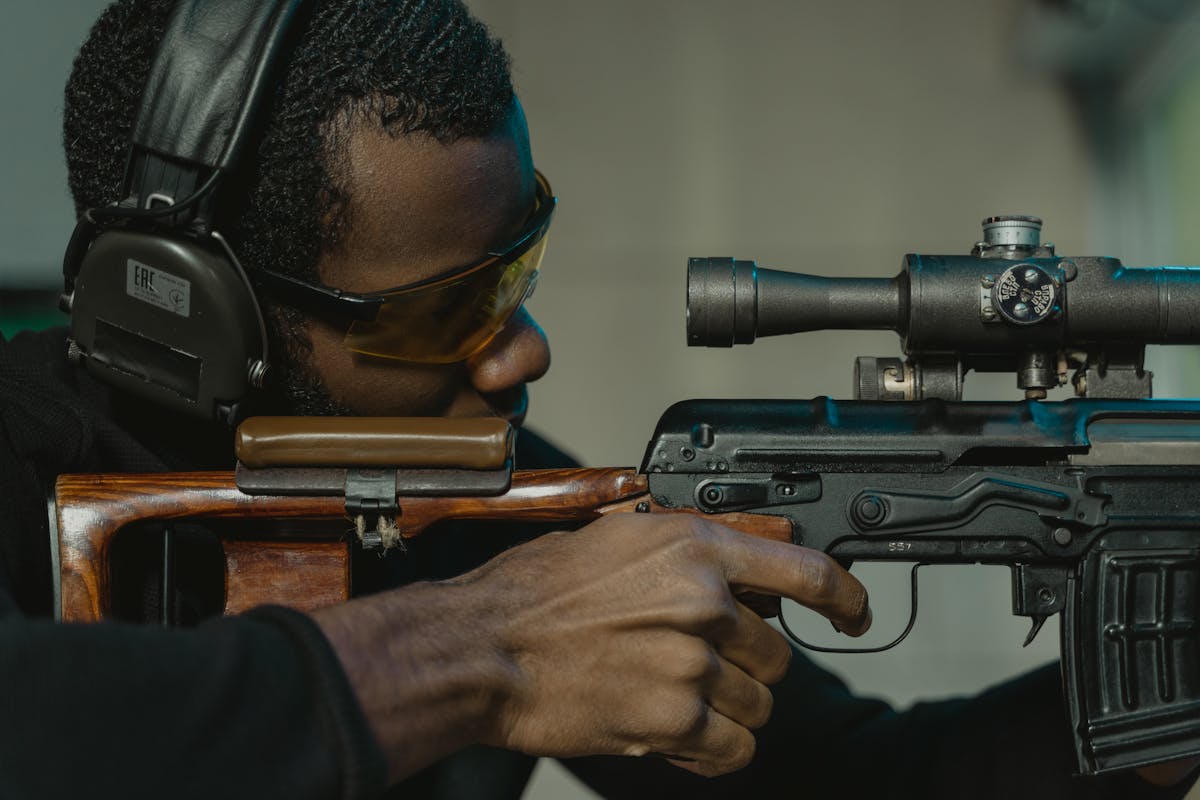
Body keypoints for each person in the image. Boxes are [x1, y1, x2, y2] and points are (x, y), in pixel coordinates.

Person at [0, 1, 1194, 798]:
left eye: (517, 271)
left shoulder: (491, 500)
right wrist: (483, 647)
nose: (521, 352)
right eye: (442, 311)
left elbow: (863, 784)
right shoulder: (21, 453)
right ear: (193, 312)